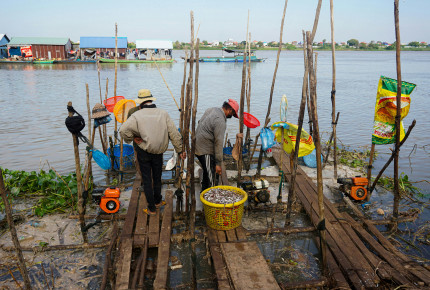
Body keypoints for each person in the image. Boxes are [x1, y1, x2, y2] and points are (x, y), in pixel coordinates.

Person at [119, 89, 186, 216]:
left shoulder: (136, 115)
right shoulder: (163, 113)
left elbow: (122, 131)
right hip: (158, 151)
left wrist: (132, 138)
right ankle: (157, 201)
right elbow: (174, 134)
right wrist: (180, 149)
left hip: (143, 151)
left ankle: (151, 208)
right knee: (157, 176)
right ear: (151, 101)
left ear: (140, 104)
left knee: (147, 178)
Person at [195, 99, 239, 191]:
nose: (232, 116)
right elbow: (219, 143)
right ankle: (209, 198)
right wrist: (218, 164)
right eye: (233, 113)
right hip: (204, 150)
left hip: (199, 144)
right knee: (212, 177)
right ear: (229, 110)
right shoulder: (220, 121)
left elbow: (200, 122)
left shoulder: (212, 109)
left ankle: (204, 191)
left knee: (207, 173)